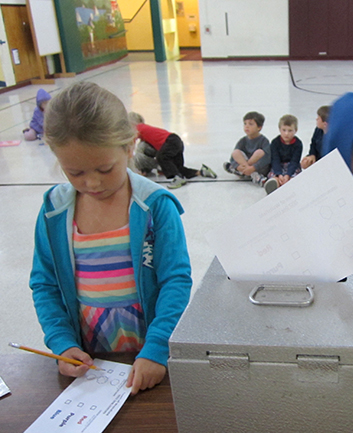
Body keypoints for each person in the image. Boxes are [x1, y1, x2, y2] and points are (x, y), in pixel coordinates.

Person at [30, 81, 193, 395]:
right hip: (92, 361)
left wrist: (157, 349)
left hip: (152, 355)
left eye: (105, 168)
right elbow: (45, 284)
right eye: (74, 173)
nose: (91, 183)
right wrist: (62, 345)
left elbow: (176, 280)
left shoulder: (155, 206)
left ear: (130, 145)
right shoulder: (53, 211)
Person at [128, 112, 217, 189]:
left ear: (132, 124)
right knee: (177, 167)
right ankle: (201, 172)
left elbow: (132, 140)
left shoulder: (139, 127)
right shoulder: (146, 132)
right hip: (176, 141)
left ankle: (177, 178)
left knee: (161, 157)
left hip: (170, 141)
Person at [253, 114, 303, 194]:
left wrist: (288, 175)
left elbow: (295, 161)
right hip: (278, 165)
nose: (286, 133)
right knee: (273, 175)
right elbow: (275, 159)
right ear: (279, 129)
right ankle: (275, 183)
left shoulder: (298, 144)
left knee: (295, 176)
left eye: (290, 130)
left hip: (291, 166)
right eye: (284, 130)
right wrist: (279, 174)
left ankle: (288, 183)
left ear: (295, 130)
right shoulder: (275, 142)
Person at [224, 111, 271, 182]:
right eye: (245, 124)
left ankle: (248, 172)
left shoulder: (264, 141)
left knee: (260, 152)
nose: (247, 126)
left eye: (251, 124)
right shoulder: (243, 141)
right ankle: (251, 174)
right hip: (245, 165)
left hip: (259, 168)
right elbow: (233, 158)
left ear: (259, 127)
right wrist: (238, 166)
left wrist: (253, 167)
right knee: (236, 152)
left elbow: (267, 158)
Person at [301, 105, 329, 169]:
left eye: (318, 118)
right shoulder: (318, 130)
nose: (316, 119)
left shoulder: (333, 137)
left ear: (325, 124)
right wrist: (311, 155)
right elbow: (313, 144)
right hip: (317, 159)